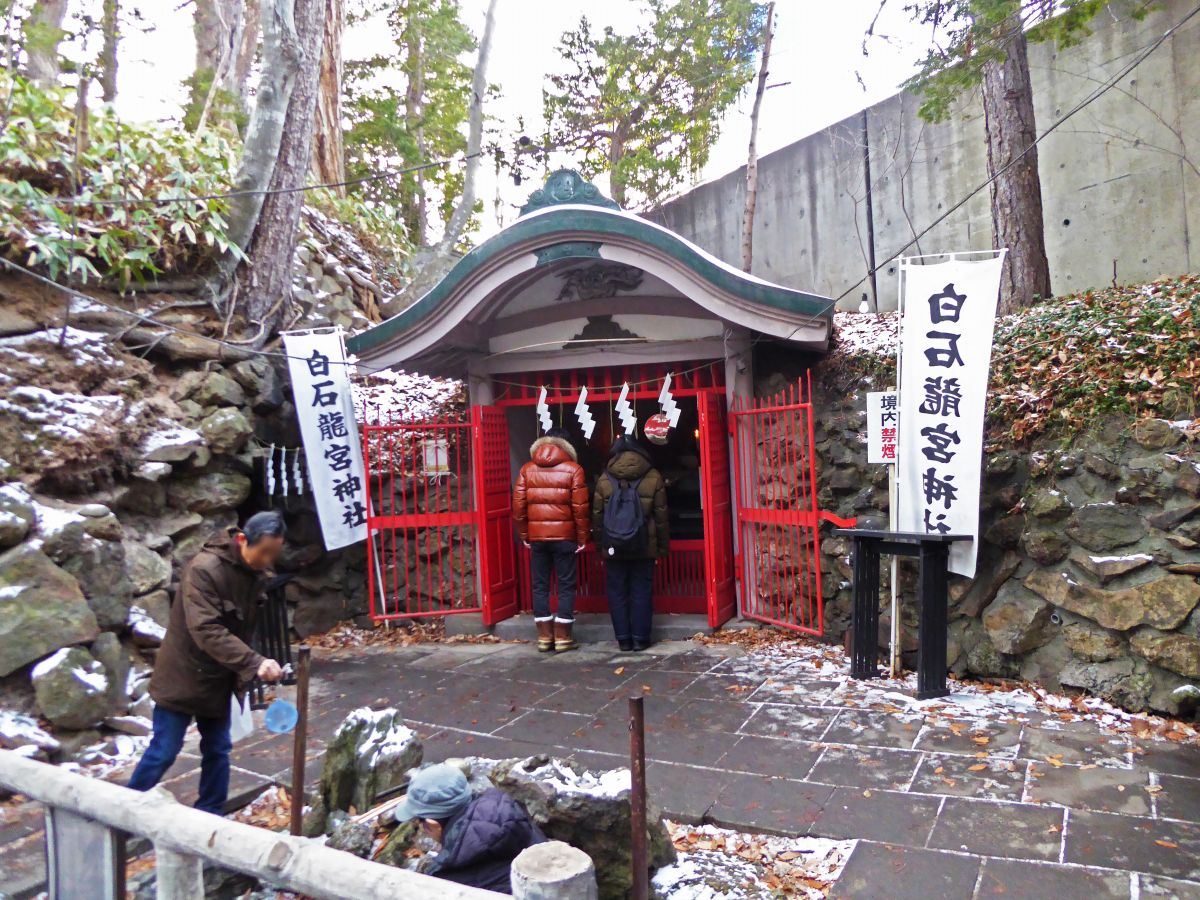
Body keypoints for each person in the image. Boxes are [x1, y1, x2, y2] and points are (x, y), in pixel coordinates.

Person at [127, 512, 287, 815]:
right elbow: (206, 629)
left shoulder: (254, 573)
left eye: (273, 554)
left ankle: (211, 813)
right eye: (264, 552)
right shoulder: (204, 569)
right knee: (164, 751)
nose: (267, 561)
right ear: (243, 540)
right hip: (183, 674)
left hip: (219, 677)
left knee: (218, 749)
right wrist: (253, 661)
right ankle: (123, 810)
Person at [397, 763, 546, 894]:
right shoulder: (509, 816)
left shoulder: (453, 882)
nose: (421, 827)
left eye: (420, 821)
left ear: (432, 824)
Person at [511, 427, 589, 652]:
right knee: (566, 585)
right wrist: (582, 537)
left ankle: (544, 637)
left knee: (540, 585)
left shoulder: (527, 469)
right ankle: (563, 637)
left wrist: (524, 534)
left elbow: (518, 506)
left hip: (537, 537)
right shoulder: (574, 469)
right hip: (565, 537)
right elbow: (580, 508)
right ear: (567, 447)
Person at [593, 435, 669, 651]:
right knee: (641, 591)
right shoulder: (653, 476)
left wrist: (600, 549)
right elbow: (661, 517)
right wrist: (662, 550)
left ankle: (624, 640)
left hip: (613, 546)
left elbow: (597, 518)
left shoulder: (605, 478)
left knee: (617, 592)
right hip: (644, 545)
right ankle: (641, 639)